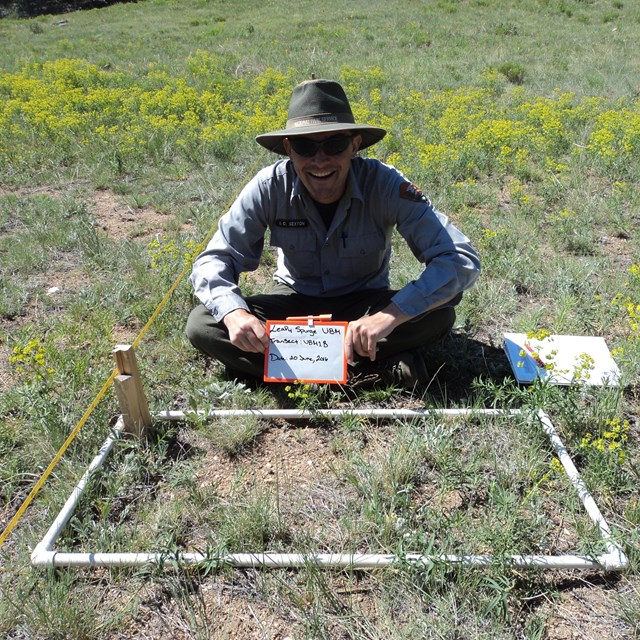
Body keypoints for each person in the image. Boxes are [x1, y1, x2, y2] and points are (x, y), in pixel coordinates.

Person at [186, 78, 480, 389]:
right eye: (305, 146)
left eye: (335, 144)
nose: (320, 160)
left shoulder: (386, 184)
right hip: (294, 305)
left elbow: (458, 260)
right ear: (288, 149)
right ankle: (373, 370)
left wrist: (386, 318)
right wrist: (235, 315)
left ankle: (282, 369)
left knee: (440, 314)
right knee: (202, 325)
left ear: (355, 145)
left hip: (365, 305)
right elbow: (215, 259)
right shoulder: (268, 186)